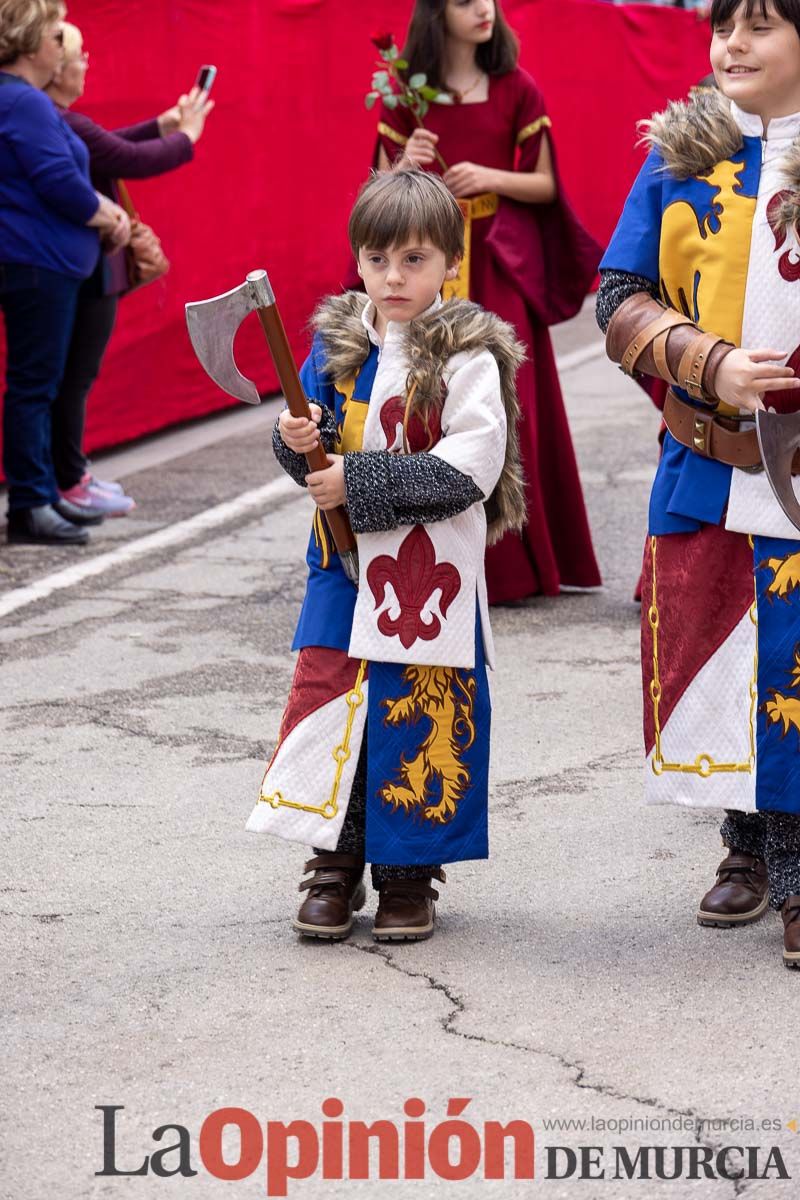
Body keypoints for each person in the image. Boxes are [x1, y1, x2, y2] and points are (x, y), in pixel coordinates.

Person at [246, 169, 525, 942]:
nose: (393, 278)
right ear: (357, 261)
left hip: (427, 579)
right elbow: (306, 440)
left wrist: (353, 479)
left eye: (413, 260)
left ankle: (409, 877)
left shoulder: (469, 354)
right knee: (334, 708)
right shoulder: (338, 345)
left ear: (449, 263)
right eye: (377, 260)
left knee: (418, 713)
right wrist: (295, 442)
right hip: (340, 569)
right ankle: (332, 866)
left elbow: (473, 466)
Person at [597, 0, 800, 968]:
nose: (731, 45)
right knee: (718, 656)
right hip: (704, 463)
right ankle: (744, 844)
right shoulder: (679, 155)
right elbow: (614, 300)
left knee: (795, 665)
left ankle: (798, 867)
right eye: (722, 24)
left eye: (759, 26)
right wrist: (702, 361)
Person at [374, 0, 602, 604]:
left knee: (511, 406)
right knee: (420, 405)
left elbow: (546, 184)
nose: (484, 9)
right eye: (465, 1)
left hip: (499, 271)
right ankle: (424, 557)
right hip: (425, 275)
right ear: (434, 13)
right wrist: (406, 163)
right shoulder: (405, 94)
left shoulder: (516, 88)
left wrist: (489, 176)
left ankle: (514, 569)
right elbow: (379, 193)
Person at [44, 21, 213, 518]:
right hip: (85, 269)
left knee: (70, 376)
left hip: (81, 267)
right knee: (73, 376)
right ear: (55, 68)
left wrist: (163, 125)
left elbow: (105, 145)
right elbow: (126, 158)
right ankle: (68, 479)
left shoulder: (58, 120)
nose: (85, 63)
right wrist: (187, 136)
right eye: (79, 56)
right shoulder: (58, 120)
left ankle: (70, 473)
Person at [0, 0, 130, 545]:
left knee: (40, 384)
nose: (64, 47)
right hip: (38, 264)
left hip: (39, 261)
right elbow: (59, 181)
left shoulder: (21, 100)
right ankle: (31, 503)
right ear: (31, 45)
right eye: (56, 37)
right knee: (35, 385)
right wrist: (111, 214)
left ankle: (45, 493)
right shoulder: (23, 102)